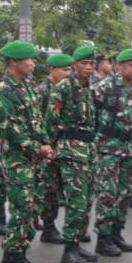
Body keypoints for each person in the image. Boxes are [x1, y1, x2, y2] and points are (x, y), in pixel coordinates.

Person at [0, 41, 53, 263]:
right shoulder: (4, 89)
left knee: (32, 210)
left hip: (34, 160)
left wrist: (46, 143)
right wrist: (38, 148)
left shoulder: (27, 85)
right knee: (21, 210)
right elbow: (11, 129)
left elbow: (37, 120)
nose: (33, 63)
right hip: (18, 161)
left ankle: (21, 254)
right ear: (14, 62)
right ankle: (9, 261)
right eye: (29, 59)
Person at [46, 44, 100, 263]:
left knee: (87, 201)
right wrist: (54, 147)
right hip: (70, 149)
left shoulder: (90, 88)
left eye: (91, 64)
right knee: (76, 201)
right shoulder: (63, 88)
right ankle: (69, 249)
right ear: (75, 65)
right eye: (84, 64)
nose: (89, 68)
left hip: (87, 149)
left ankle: (77, 244)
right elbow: (51, 119)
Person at [91, 48, 132, 257]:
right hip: (108, 148)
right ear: (119, 66)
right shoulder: (105, 86)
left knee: (126, 193)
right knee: (107, 194)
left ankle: (116, 232)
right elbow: (91, 112)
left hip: (129, 148)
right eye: (131, 65)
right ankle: (103, 238)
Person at [37, 53, 74, 243]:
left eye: (69, 69)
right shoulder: (43, 89)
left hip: (64, 144)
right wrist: (46, 144)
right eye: (64, 69)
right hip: (48, 144)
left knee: (60, 187)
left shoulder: (66, 88)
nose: (68, 73)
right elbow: (40, 119)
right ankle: (48, 227)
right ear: (52, 69)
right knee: (49, 188)